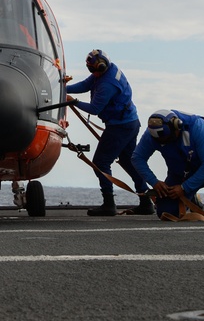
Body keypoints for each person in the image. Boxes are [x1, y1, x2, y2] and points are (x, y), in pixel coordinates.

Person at [66, 49, 154, 216]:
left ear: (100, 66)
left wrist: (73, 102)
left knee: (100, 162)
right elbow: (85, 85)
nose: (93, 73)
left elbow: (94, 108)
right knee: (129, 162)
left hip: (120, 127)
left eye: (93, 70)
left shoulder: (107, 84)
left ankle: (109, 204)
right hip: (130, 123)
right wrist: (63, 89)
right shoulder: (106, 70)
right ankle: (146, 202)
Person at [131, 109, 204, 218]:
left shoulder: (197, 126)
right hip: (180, 175)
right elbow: (137, 158)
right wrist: (154, 182)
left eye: (168, 139)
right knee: (167, 213)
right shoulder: (152, 134)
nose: (165, 142)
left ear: (177, 127)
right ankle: (191, 197)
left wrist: (185, 188)